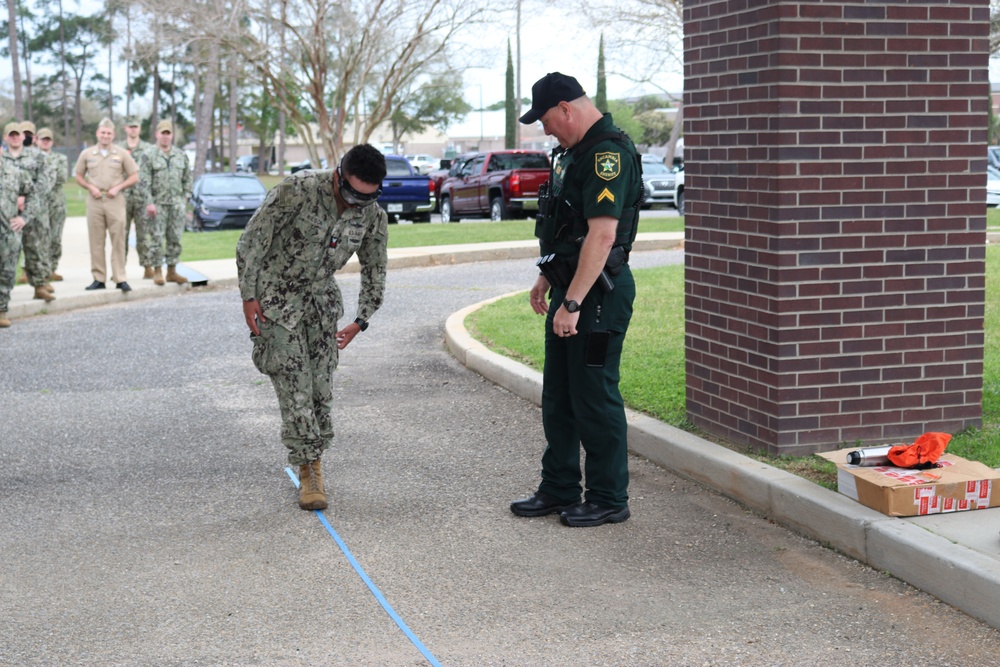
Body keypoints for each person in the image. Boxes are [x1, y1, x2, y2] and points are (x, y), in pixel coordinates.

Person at [509, 72, 643, 528]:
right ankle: (560, 486)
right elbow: (569, 229)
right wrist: (547, 280)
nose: (545, 130)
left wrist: (574, 304)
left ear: (566, 108)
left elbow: (603, 236)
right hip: (573, 288)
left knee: (594, 394)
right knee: (560, 394)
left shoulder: (608, 154)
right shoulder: (572, 153)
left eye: (547, 120)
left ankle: (608, 496)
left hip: (598, 297)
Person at [236, 143, 388, 510]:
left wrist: (361, 320)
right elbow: (252, 242)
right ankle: (309, 468)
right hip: (275, 301)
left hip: (320, 305)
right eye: (352, 193)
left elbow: (375, 267)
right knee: (295, 385)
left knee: (321, 388)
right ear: (339, 176)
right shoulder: (296, 190)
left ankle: (314, 456)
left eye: (367, 197)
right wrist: (248, 295)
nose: (357, 203)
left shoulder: (372, 215)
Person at [73, 117, 139, 292]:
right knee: (96, 241)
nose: (105, 136)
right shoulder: (87, 154)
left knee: (118, 239)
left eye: (109, 133)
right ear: (97, 133)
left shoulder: (121, 153)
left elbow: (134, 176)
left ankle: (120, 278)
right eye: (103, 132)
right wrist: (89, 186)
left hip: (115, 200)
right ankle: (99, 278)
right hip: (95, 200)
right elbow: (78, 175)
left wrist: (119, 187)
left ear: (113, 135)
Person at [2, 121, 55, 303]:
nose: (15, 137)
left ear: (24, 137)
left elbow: (46, 180)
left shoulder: (36, 157)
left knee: (35, 247)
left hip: (33, 210)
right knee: (7, 252)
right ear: (5, 138)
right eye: (11, 134)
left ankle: (40, 285)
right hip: (8, 213)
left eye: (18, 134)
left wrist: (27, 198)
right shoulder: (2, 159)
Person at [141, 120, 192, 286]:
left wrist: (185, 198)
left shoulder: (180, 155)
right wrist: (149, 202)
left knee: (175, 238)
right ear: (157, 134)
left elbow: (187, 178)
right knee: (156, 238)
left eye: (168, 133)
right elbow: (144, 181)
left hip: (176, 204)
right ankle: (157, 271)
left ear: (172, 135)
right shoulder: (149, 155)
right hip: (158, 205)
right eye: (162, 133)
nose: (165, 136)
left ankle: (172, 271)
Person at [0, 125, 33, 328]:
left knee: (7, 272)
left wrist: (25, 217)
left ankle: (1, 310)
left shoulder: (15, 172)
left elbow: (34, 195)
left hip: (8, 232)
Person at [117, 116, 153, 275]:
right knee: (120, 234)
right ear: (126, 128)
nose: (133, 129)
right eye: (130, 127)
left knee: (144, 233)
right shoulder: (118, 149)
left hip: (142, 197)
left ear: (139, 129)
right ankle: (120, 268)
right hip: (122, 197)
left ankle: (147, 266)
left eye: (135, 127)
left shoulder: (148, 148)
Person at [35, 128, 68, 282]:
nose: (45, 141)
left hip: (56, 203)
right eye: (43, 139)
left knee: (55, 237)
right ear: (36, 140)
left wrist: (45, 170)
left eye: (48, 139)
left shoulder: (60, 158)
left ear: (52, 142)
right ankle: (32, 270)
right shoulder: (31, 157)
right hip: (37, 203)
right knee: (36, 238)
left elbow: (62, 177)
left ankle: (51, 269)